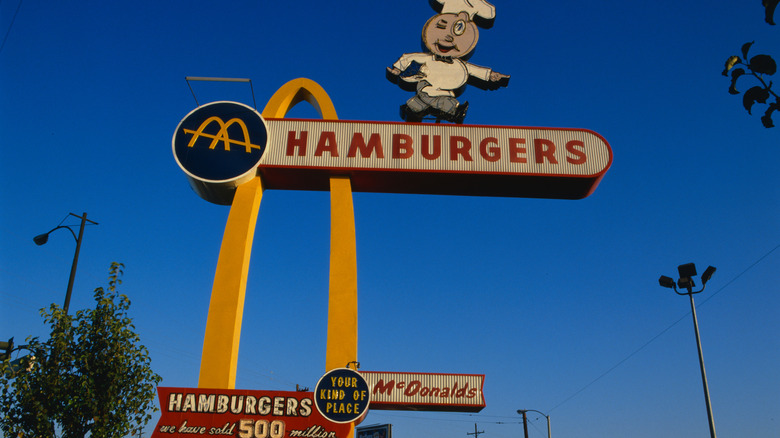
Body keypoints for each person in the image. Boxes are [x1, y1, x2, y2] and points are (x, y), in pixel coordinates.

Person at [387, 0, 509, 123]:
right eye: (441, 27)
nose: (448, 38)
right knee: (420, 106)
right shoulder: (427, 58)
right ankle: (424, 112)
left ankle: (450, 112)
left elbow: (476, 71)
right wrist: (397, 69)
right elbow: (408, 58)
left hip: (446, 93)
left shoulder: (461, 65)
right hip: (425, 89)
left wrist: (491, 75)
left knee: (441, 104)